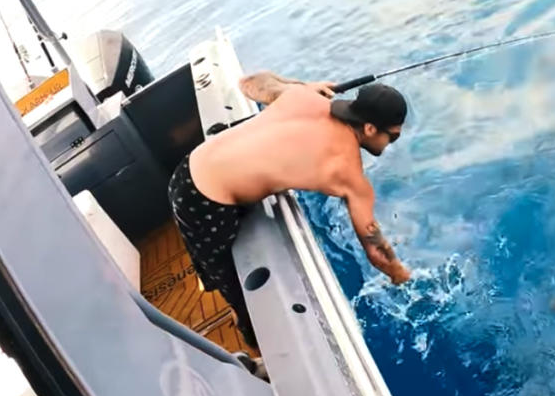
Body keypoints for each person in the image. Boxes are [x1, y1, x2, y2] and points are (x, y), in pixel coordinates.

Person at [167, 71, 411, 350]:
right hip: (204, 201)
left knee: (209, 262)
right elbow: (376, 251)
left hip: (189, 166)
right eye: (391, 137)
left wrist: (304, 85)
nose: (391, 144)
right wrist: (399, 274)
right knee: (241, 296)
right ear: (369, 128)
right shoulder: (349, 174)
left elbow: (248, 82)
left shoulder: (303, 97)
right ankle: (257, 356)